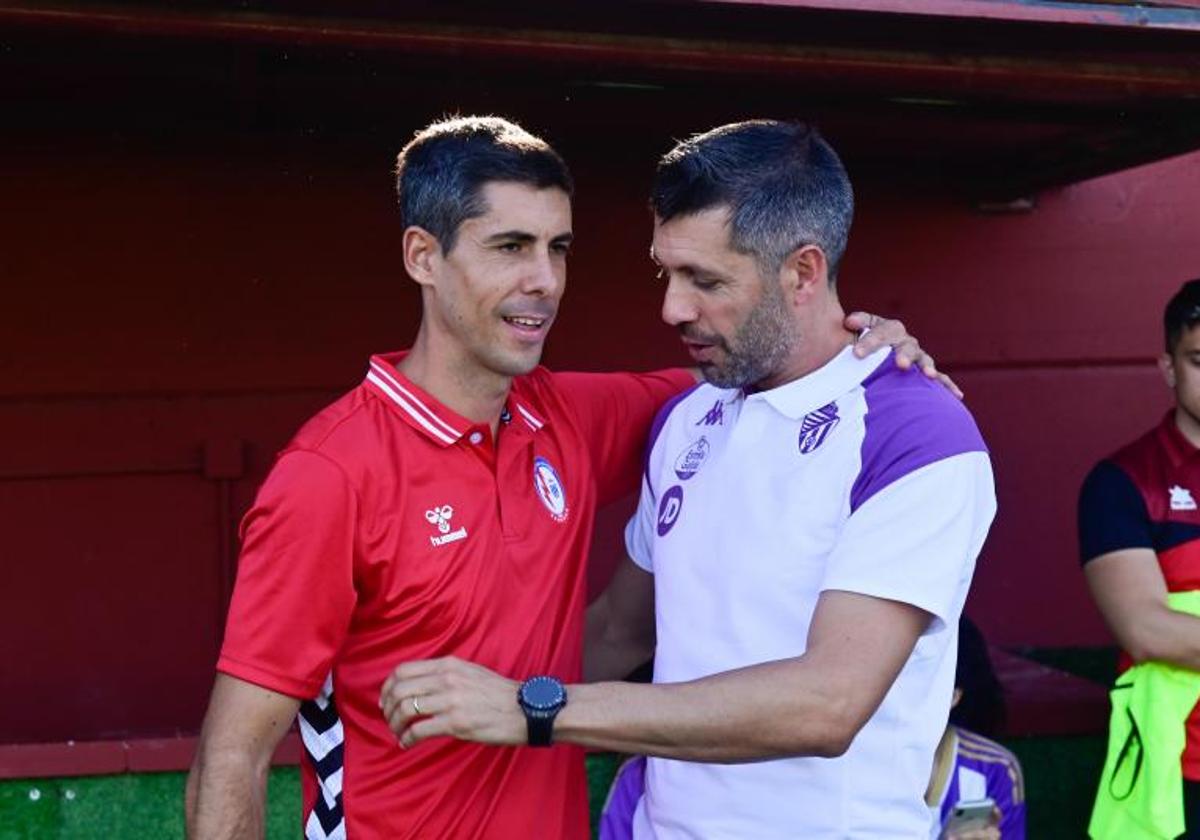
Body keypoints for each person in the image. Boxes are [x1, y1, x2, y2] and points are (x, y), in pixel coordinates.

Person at [185, 115, 935, 839]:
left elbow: (760, 369)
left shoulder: (570, 418)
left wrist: (866, 349)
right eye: (510, 246)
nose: (544, 280)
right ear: (422, 256)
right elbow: (232, 756)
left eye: (558, 247)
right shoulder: (329, 475)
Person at [380, 119, 997, 838]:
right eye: (666, 273)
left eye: (705, 280)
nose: (672, 307)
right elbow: (620, 628)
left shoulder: (916, 433)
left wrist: (532, 707)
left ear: (803, 272)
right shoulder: (688, 416)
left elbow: (827, 704)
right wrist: (442, 694)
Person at [1080, 278, 1200, 839]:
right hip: (1178, 771)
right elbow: (1145, 629)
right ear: (1169, 366)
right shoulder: (1122, 481)